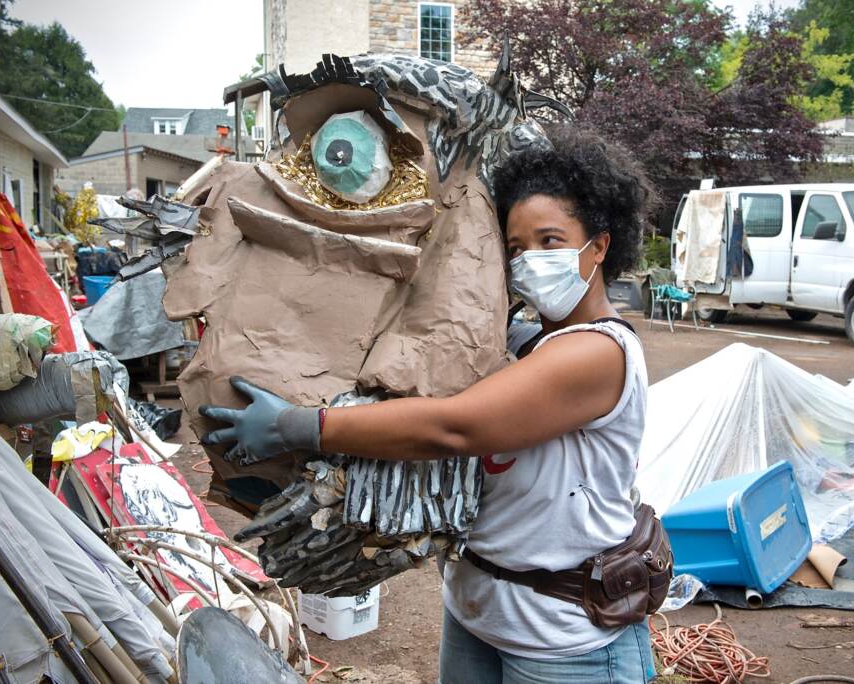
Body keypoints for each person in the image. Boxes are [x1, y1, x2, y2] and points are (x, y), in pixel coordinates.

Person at [200, 127, 660, 683]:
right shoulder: (513, 340)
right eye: (515, 249)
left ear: (601, 245)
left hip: (566, 644)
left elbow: (455, 428)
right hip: (476, 615)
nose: (530, 260)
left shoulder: (599, 353)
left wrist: (298, 426)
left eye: (550, 241)